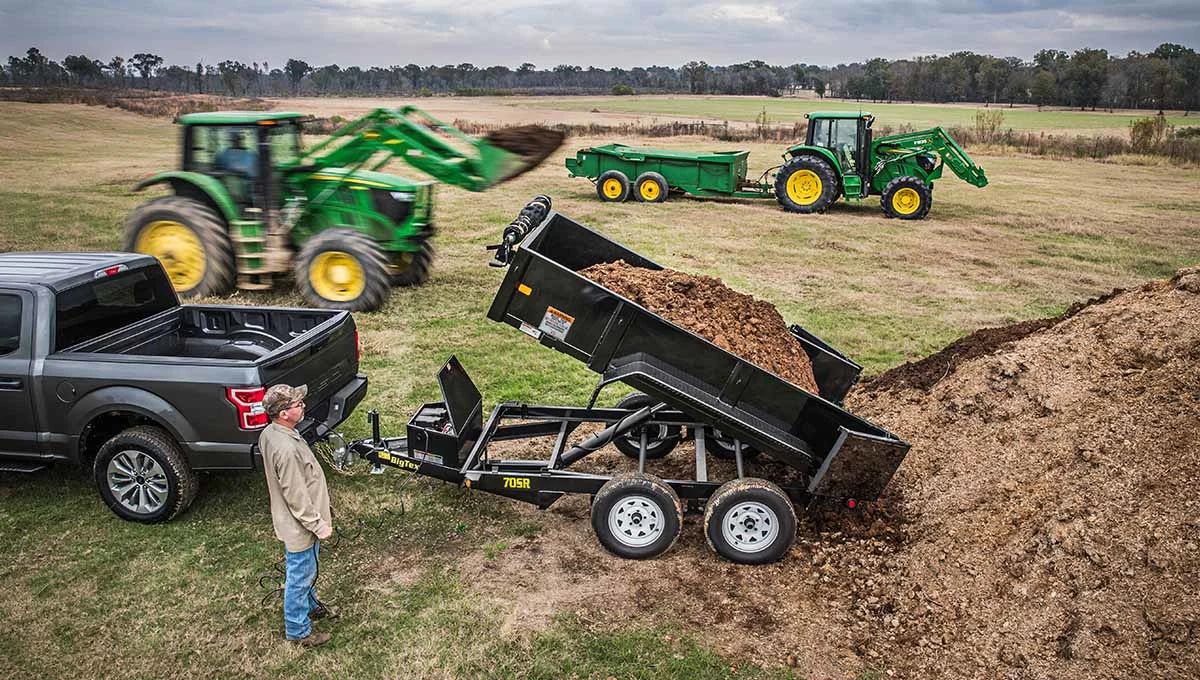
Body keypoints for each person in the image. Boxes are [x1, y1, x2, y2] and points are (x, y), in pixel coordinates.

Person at [259, 383, 337, 647]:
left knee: (307, 567)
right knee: (300, 574)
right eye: (297, 404)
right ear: (283, 413)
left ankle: (311, 604)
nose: (303, 406)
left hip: (300, 521)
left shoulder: (273, 433)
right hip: (300, 525)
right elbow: (295, 495)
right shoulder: (286, 449)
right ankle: (298, 630)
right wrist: (318, 525)